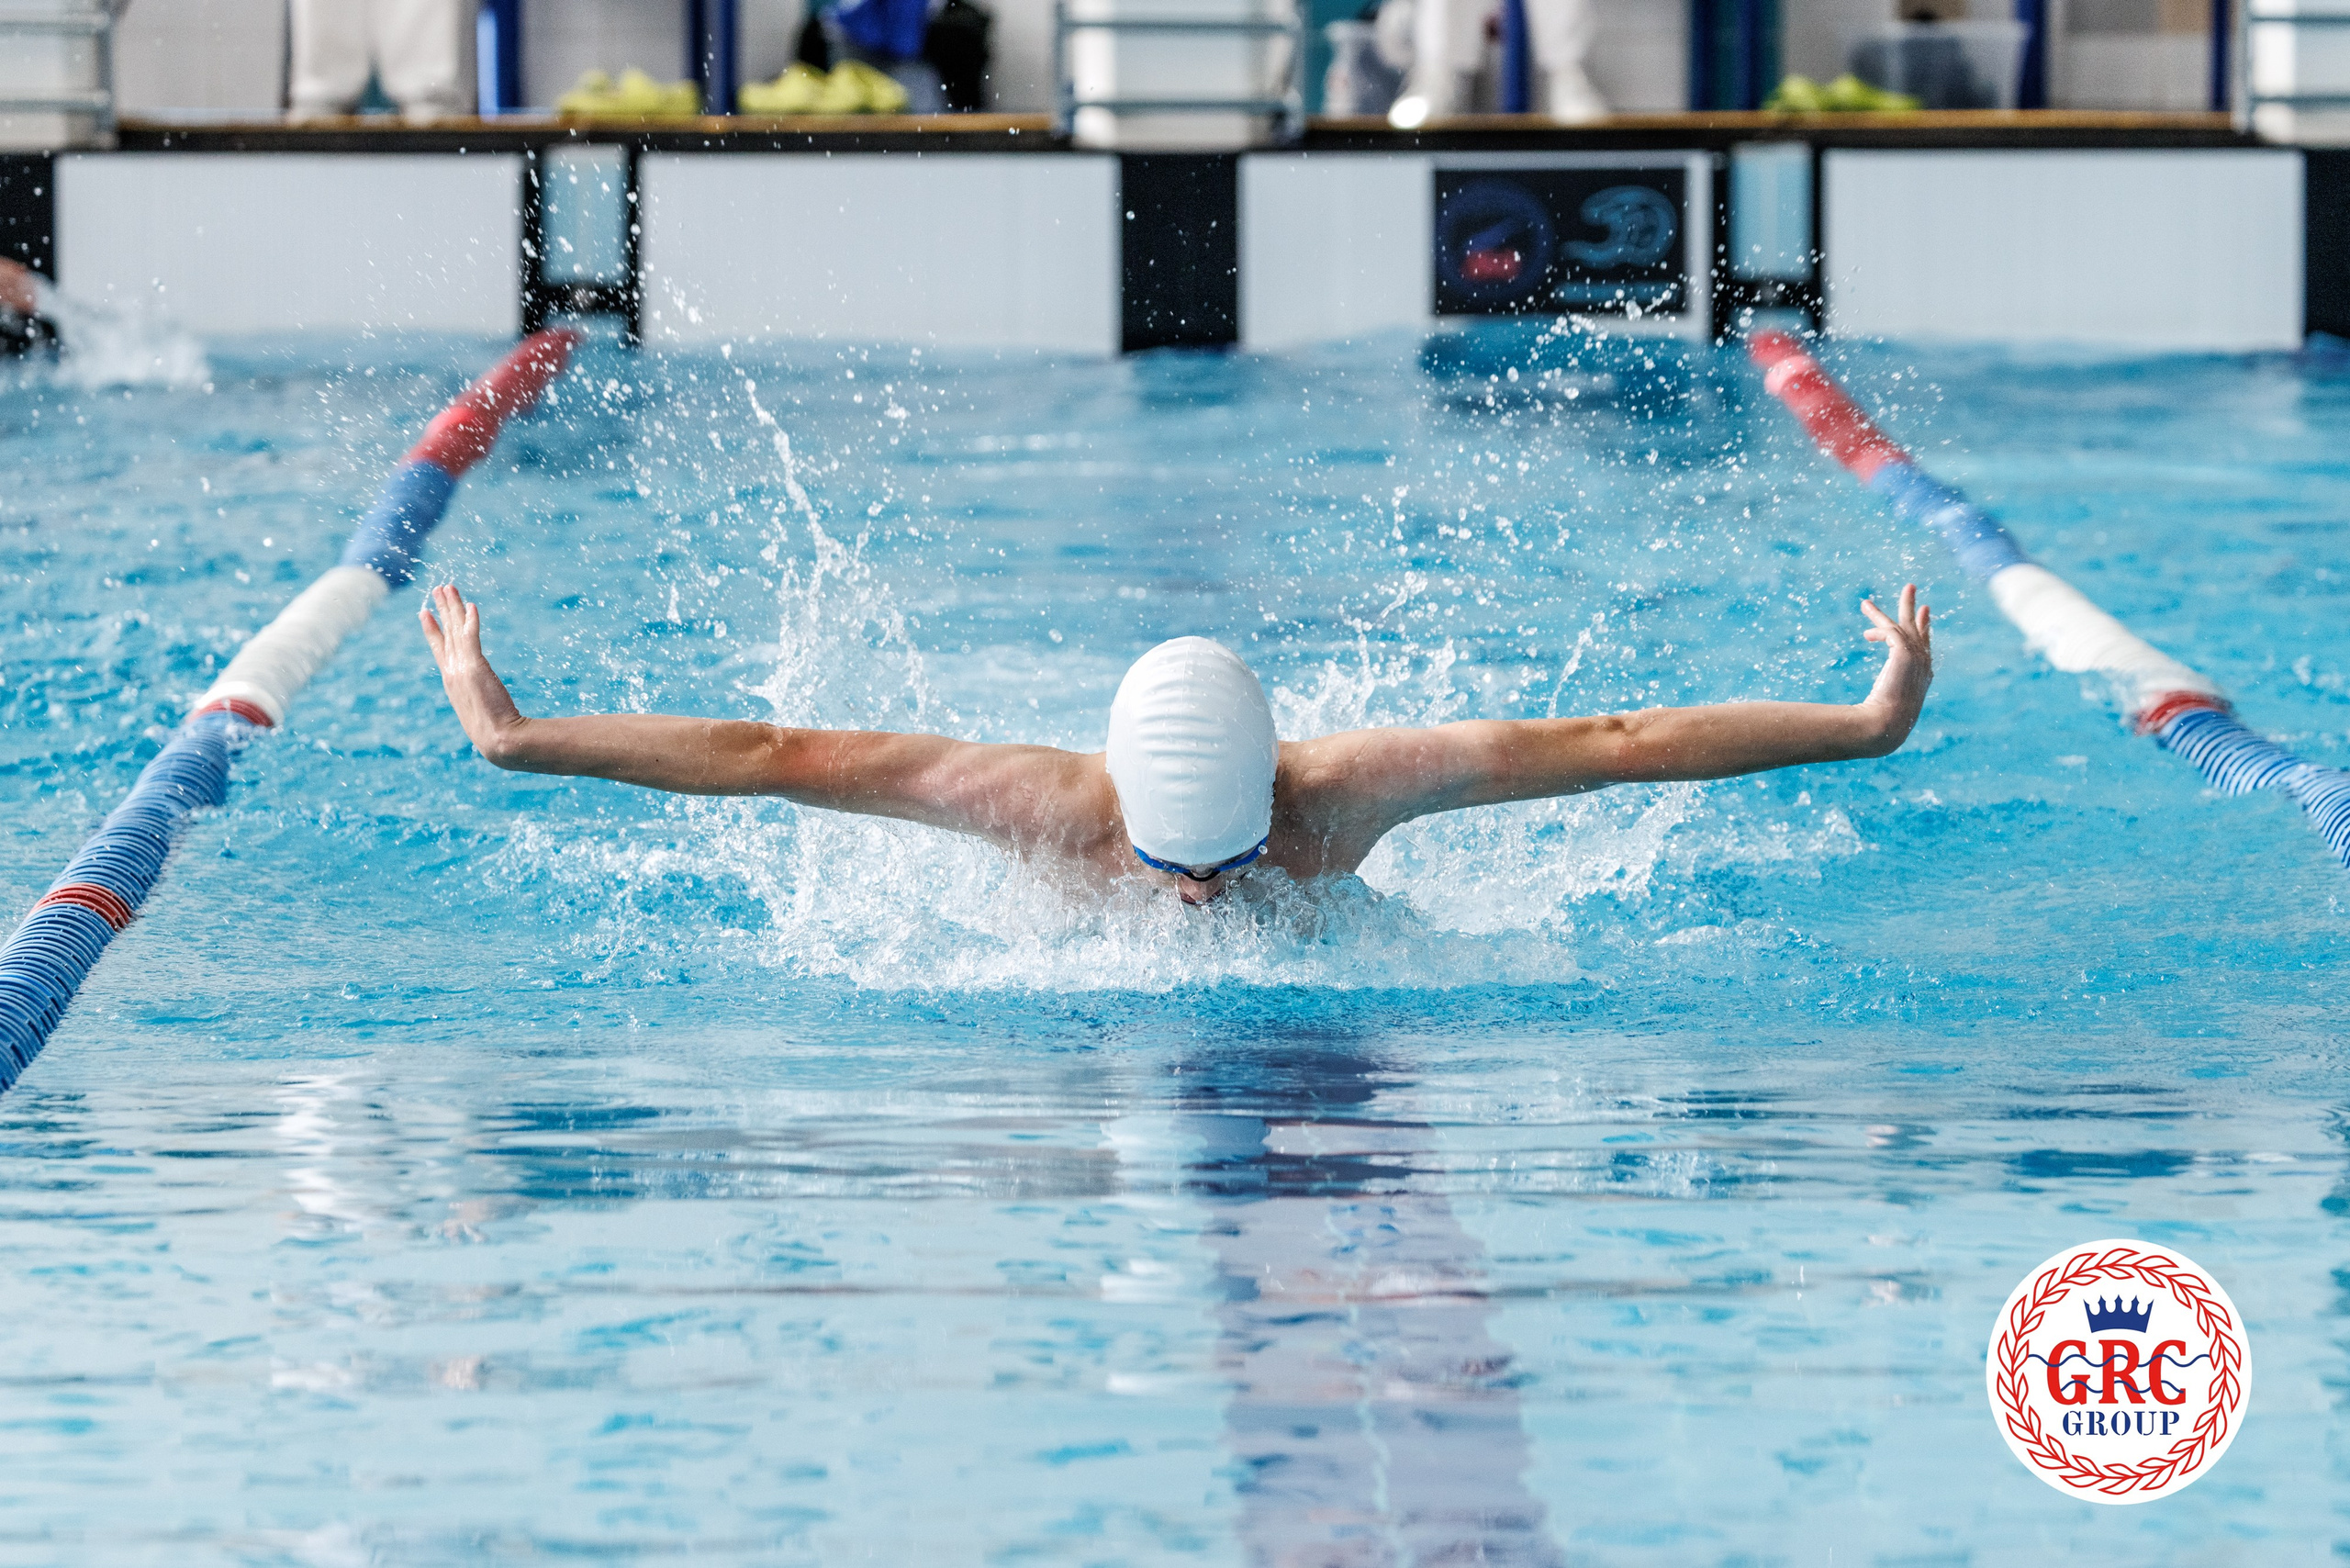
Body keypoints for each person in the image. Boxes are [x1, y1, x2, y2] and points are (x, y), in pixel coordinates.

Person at [419, 581, 1932, 907]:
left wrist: (1869, 725)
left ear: (1279, 792)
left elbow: (1616, 741)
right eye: (1173, 865)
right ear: (1121, 812)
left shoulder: (1345, 797)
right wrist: (517, 735)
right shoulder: (1037, 803)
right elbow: (770, 754)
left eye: (1232, 858)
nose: (1202, 896)